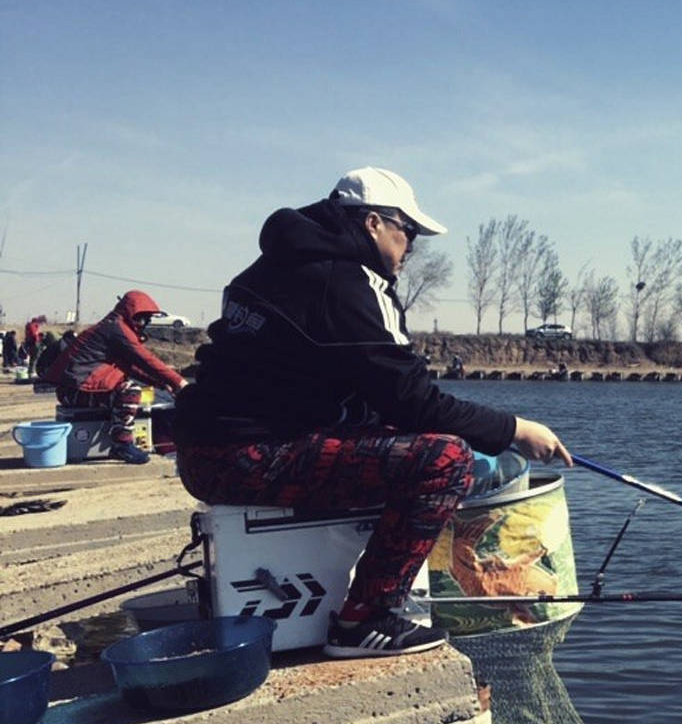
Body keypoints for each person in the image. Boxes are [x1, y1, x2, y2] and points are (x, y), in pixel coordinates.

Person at [173, 166, 571, 659]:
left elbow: (362, 391)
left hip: (205, 452)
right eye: (409, 234)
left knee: (402, 437)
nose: (410, 250)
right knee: (443, 461)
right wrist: (514, 430)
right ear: (373, 224)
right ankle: (362, 621)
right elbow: (414, 400)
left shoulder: (274, 266)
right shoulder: (347, 282)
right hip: (247, 457)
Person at [46, 292, 188, 464]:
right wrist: (179, 382)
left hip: (72, 390)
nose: (144, 324)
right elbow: (145, 360)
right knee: (130, 391)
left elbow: (133, 367)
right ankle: (122, 443)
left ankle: (120, 437)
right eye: (142, 319)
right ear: (131, 314)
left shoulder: (111, 327)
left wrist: (162, 383)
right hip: (73, 392)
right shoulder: (116, 330)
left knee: (130, 388)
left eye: (147, 320)